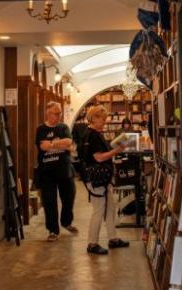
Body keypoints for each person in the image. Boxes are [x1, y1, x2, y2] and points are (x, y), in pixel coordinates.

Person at [84, 105, 130, 254]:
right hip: (98, 179)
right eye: (102, 119)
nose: (104, 122)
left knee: (110, 208)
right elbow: (98, 157)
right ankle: (92, 243)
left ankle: (113, 238)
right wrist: (116, 151)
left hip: (103, 178)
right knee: (98, 210)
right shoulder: (93, 135)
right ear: (94, 118)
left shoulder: (93, 133)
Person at [35, 101, 78, 242]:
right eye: (56, 113)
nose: (59, 116)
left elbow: (69, 143)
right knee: (49, 202)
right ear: (48, 113)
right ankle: (53, 230)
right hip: (47, 172)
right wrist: (62, 145)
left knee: (69, 197)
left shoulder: (63, 127)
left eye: (60, 113)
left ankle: (66, 222)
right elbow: (43, 147)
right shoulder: (40, 129)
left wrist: (52, 144)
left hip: (64, 170)